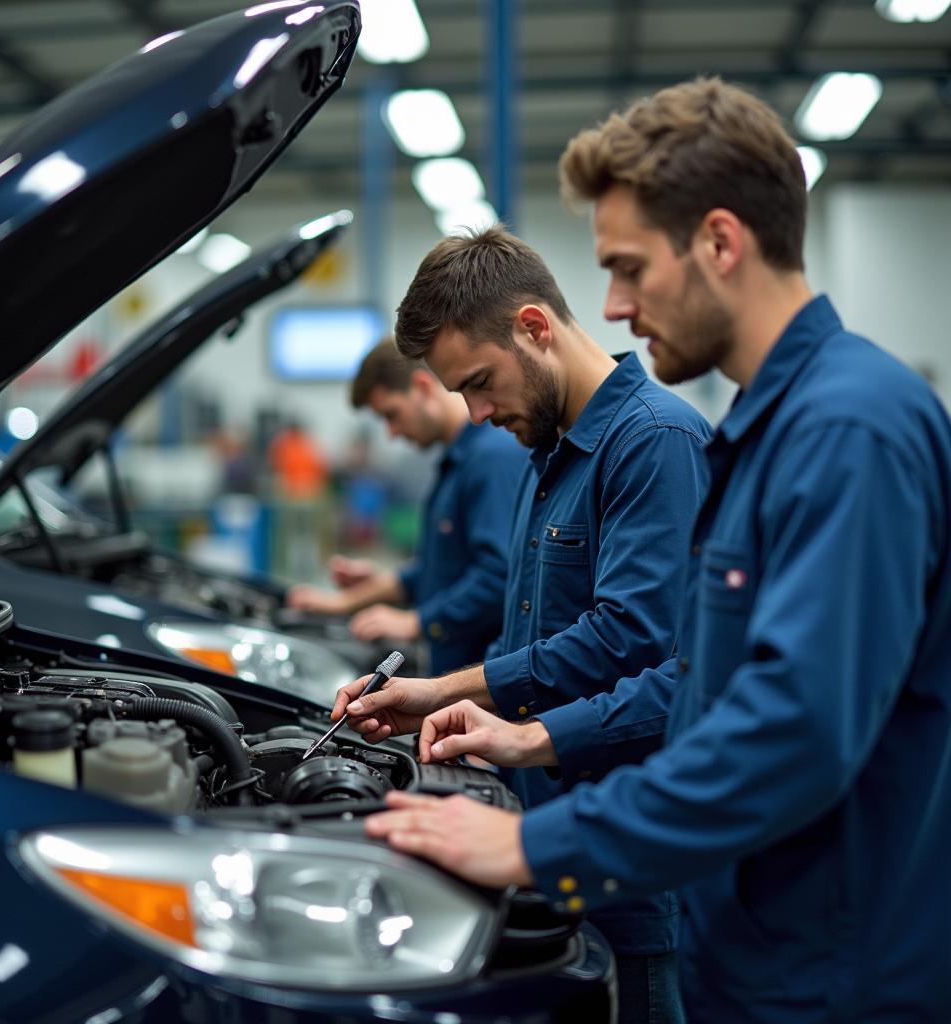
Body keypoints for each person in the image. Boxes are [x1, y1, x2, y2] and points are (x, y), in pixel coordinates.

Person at [359, 78, 951, 1023]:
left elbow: (789, 733)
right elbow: (696, 683)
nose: (618, 306)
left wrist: (533, 847)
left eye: (631, 268)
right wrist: (529, 734)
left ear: (719, 242)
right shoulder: (765, 434)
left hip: (829, 973)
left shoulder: (849, 430)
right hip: (750, 943)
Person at [330, 228, 712, 1021]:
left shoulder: (654, 442)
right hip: (547, 838)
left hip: (629, 867)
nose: (473, 413)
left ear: (534, 328)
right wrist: (438, 704)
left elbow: (632, 642)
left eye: (478, 382)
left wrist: (443, 689)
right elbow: (531, 640)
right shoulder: (548, 456)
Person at [288, 338, 527, 674]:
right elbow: (445, 569)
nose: (392, 433)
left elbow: (499, 575)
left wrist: (417, 621)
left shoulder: (491, 457)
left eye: (392, 415)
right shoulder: (456, 462)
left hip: (484, 684)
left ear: (421, 387)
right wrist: (352, 597)